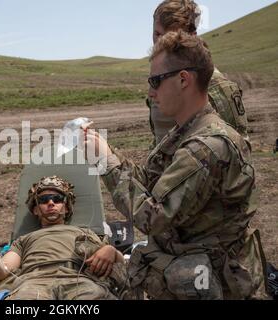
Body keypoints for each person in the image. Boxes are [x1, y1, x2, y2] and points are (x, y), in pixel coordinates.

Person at [85, 31, 268, 300]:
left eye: (156, 81)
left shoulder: (206, 147)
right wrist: (105, 150)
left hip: (211, 284)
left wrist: (106, 162)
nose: (150, 92)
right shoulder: (185, 132)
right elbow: (150, 182)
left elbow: (152, 216)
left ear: (183, 79)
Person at [0, 176, 127, 300]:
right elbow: (1, 272)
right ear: (35, 209)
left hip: (77, 280)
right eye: (43, 200)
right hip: (34, 283)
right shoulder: (24, 239)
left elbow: (118, 266)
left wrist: (111, 250)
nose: (51, 203)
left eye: (57, 199)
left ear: (66, 208)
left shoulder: (85, 233)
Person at [147, 0, 248, 147]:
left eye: (173, 38)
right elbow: (161, 138)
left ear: (192, 36)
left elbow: (238, 149)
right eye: (157, 34)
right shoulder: (161, 78)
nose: (161, 43)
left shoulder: (215, 86)